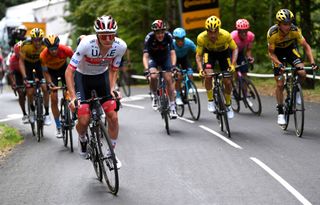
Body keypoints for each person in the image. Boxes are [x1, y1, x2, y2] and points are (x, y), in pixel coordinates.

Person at [66, 15, 126, 168]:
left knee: (113, 117)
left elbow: (114, 70)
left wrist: (112, 89)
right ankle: (82, 137)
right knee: (84, 119)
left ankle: (111, 154)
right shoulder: (86, 44)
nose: (107, 39)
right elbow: (69, 72)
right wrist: (73, 97)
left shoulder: (120, 46)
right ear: (97, 35)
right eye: (104, 35)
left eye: (111, 35)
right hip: (83, 78)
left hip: (102, 78)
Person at [267, 9, 318, 125]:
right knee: (280, 84)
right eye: (285, 24)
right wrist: (279, 64)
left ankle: (296, 92)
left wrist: (313, 62)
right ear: (279, 24)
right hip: (277, 53)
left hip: (290, 50)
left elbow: (306, 46)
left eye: (290, 23)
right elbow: (271, 53)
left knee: (302, 73)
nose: (288, 26)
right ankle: (280, 112)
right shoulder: (272, 34)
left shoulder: (295, 30)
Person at [196, 16, 238, 119]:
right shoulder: (201, 38)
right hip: (209, 54)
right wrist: (200, 69)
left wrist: (233, 64)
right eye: (210, 32)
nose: (213, 35)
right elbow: (198, 55)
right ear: (207, 31)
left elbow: (235, 49)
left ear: (219, 29)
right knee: (208, 75)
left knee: (227, 81)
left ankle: (228, 105)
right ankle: (210, 100)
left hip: (224, 54)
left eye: (215, 31)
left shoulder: (226, 35)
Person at [142, 19, 178, 119]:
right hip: (153, 58)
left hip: (165, 58)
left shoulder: (168, 36)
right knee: (153, 76)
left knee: (168, 79)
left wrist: (173, 66)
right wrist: (146, 69)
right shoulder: (149, 38)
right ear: (154, 32)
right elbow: (145, 56)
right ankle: (154, 95)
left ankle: (172, 106)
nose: (160, 35)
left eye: (162, 32)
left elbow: (172, 53)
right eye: (158, 33)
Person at [41, 35, 74, 138]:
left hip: (64, 70)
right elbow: (45, 72)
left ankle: (73, 115)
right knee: (53, 98)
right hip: (51, 74)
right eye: (51, 49)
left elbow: (75, 62)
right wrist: (50, 83)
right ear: (47, 48)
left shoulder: (66, 50)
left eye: (55, 48)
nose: (54, 51)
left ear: (58, 46)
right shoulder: (43, 55)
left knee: (70, 91)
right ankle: (58, 126)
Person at [19, 28, 52, 125]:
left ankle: (46, 114)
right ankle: (32, 111)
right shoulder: (26, 46)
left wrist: (47, 77)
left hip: (39, 64)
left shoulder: (45, 45)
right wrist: (25, 77)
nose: (37, 42)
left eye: (39, 39)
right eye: (35, 40)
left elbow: (48, 61)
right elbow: (21, 62)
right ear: (32, 39)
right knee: (29, 92)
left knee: (45, 89)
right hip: (28, 65)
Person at [231, 19, 255, 106]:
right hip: (230, 52)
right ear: (238, 31)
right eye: (241, 31)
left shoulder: (250, 36)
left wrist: (249, 57)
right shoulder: (232, 36)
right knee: (233, 71)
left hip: (240, 53)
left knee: (244, 74)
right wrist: (233, 64)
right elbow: (232, 51)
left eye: (246, 31)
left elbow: (248, 49)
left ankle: (245, 96)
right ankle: (233, 85)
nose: (244, 33)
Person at [172, 27, 196, 105]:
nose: (180, 42)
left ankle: (189, 91)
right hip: (175, 60)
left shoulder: (189, 42)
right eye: (178, 39)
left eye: (182, 39)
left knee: (190, 74)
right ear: (175, 39)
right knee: (178, 77)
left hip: (184, 59)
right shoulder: (171, 44)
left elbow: (198, 52)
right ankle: (178, 96)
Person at [9, 41, 28, 123]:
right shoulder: (12, 59)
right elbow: (11, 74)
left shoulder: (28, 56)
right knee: (21, 94)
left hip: (27, 71)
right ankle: (24, 113)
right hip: (18, 74)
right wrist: (13, 83)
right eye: (18, 54)